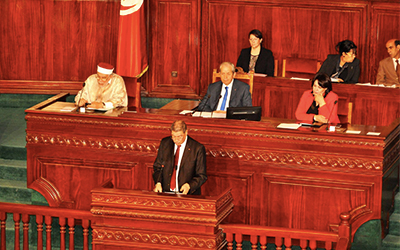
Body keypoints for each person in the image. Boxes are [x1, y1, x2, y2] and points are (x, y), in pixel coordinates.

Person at [153, 120, 207, 195]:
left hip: (187, 194)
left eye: (179, 136)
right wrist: (158, 182)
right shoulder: (165, 143)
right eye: (173, 136)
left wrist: (189, 185)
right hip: (166, 193)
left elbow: (201, 175)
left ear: (186, 132)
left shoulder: (197, 149)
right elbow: (158, 167)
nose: (176, 140)